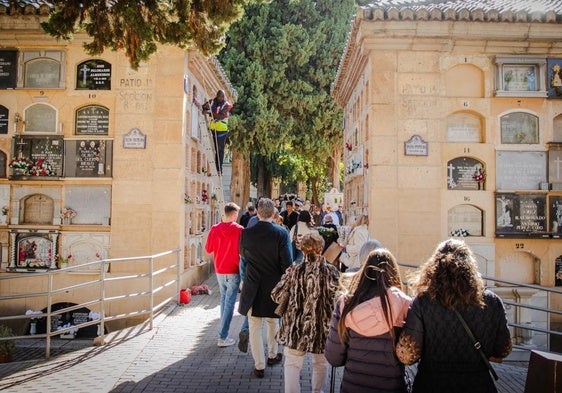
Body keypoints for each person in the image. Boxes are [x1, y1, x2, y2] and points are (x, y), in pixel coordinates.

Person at [395, 238, 512, 393]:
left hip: (432, 383)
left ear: (434, 267)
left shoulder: (422, 302)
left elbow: (408, 355)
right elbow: (504, 349)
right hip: (478, 384)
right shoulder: (492, 301)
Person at [325, 248, 412, 392]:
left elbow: (333, 357)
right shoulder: (403, 303)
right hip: (391, 386)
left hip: (353, 386)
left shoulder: (346, 304)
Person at [271, 233, 340, 393]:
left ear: (302, 250)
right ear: (321, 249)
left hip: (296, 326)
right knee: (320, 363)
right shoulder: (331, 272)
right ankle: (317, 391)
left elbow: (275, 294)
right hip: (321, 327)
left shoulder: (294, 270)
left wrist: (292, 297)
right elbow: (340, 300)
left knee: (292, 363)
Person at [238, 198, 293, 378]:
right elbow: (287, 264)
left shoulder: (246, 234)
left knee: (254, 325)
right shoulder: (282, 233)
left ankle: (259, 365)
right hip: (274, 285)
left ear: (258, 213)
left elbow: (243, 256)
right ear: (274, 213)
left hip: (253, 284)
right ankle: (272, 354)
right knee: (273, 321)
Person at [204, 202, 243, 347]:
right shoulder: (240, 230)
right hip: (233, 270)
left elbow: (208, 249)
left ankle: (222, 332)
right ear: (233, 214)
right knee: (229, 303)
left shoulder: (215, 229)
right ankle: (222, 336)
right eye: (236, 214)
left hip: (219, 270)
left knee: (224, 300)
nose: (237, 216)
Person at [206, 89, 232, 175]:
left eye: (221, 96)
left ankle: (219, 169)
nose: (220, 98)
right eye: (218, 96)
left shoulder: (226, 105)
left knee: (220, 150)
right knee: (214, 149)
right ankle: (214, 168)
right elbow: (205, 108)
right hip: (213, 130)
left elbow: (220, 116)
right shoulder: (215, 102)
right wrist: (208, 104)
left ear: (224, 97)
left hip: (222, 131)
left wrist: (209, 112)